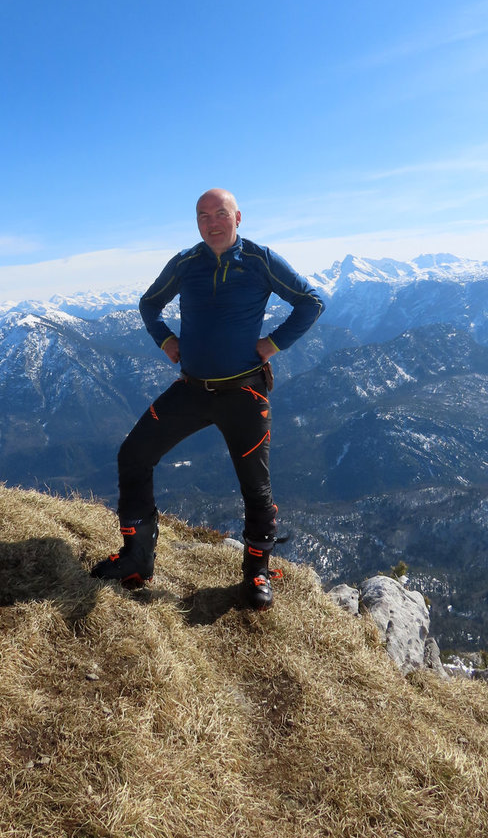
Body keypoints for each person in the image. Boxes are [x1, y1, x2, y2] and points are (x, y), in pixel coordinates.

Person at [91, 188, 325, 609]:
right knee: (133, 455)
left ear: (239, 218)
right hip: (192, 389)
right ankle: (136, 560)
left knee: (256, 487)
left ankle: (256, 572)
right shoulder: (185, 263)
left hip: (245, 392)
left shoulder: (260, 260)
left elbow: (311, 302)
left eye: (220, 214)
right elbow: (149, 304)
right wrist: (165, 341)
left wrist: (273, 343)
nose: (212, 223)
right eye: (203, 216)